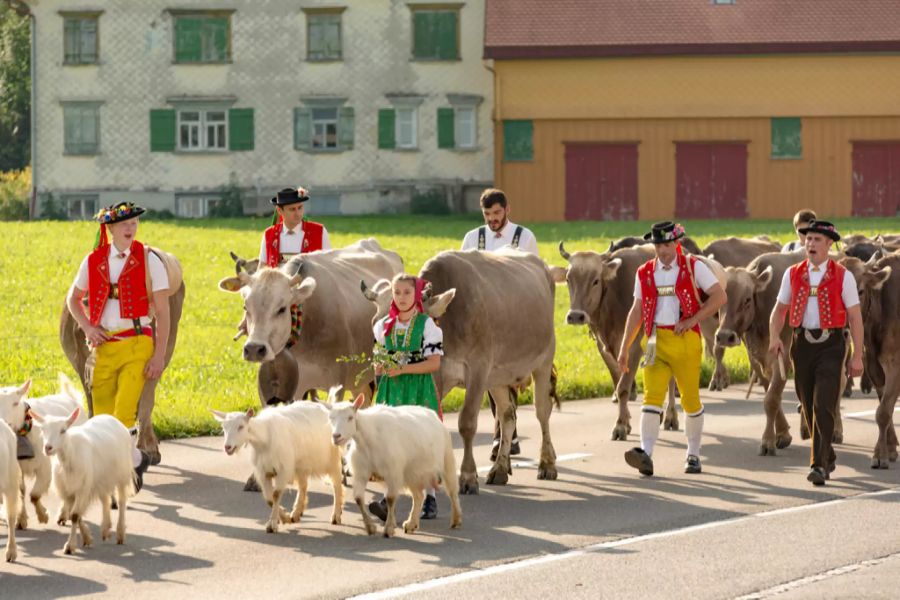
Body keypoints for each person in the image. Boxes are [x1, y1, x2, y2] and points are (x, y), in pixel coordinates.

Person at [65, 202, 170, 491]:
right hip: (104, 348)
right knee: (100, 420)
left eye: (134, 223)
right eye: (124, 224)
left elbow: (162, 312)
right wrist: (88, 327)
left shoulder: (150, 260)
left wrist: (159, 354)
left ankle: (116, 479)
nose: (130, 228)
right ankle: (136, 460)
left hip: (138, 344)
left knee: (123, 416)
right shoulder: (92, 260)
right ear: (109, 228)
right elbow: (73, 299)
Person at [617, 221, 727, 476]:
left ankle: (693, 454)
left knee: (690, 401)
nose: (663, 250)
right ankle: (645, 453)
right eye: (658, 245)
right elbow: (636, 311)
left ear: (677, 243)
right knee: (651, 398)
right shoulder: (644, 272)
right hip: (655, 341)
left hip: (686, 340)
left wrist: (693, 319)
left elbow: (720, 296)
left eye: (667, 244)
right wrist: (624, 347)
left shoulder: (693, 267)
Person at [768, 220, 864, 486]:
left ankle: (818, 465)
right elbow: (779, 311)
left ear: (829, 244)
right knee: (807, 405)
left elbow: (855, 317)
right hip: (802, 345)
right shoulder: (792, 273)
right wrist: (775, 337)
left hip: (832, 345)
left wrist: (857, 356)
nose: (810, 244)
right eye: (808, 239)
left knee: (823, 403)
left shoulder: (844, 276)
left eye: (816, 240)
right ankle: (828, 454)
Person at [461, 188, 538, 461]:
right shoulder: (473, 238)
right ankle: (508, 433)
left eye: (497, 213)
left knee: (507, 375)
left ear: (507, 209)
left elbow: (532, 278)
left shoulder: (524, 237)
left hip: (513, 317)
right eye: (487, 215)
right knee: (488, 375)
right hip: (483, 320)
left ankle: (506, 434)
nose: (493, 219)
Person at [367, 273, 444, 521]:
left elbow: (433, 363)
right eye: (397, 293)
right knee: (391, 443)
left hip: (418, 389)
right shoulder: (383, 326)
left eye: (407, 293)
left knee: (421, 442)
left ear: (416, 294)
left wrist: (403, 368)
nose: (401, 298)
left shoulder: (427, 325)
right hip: (391, 390)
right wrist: (379, 367)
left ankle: (430, 497)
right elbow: (378, 360)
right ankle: (387, 498)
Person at [259, 186, 331, 267]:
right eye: (292, 209)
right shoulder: (269, 234)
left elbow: (329, 266)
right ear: (279, 210)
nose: (298, 213)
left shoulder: (319, 232)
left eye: (300, 208)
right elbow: (262, 268)